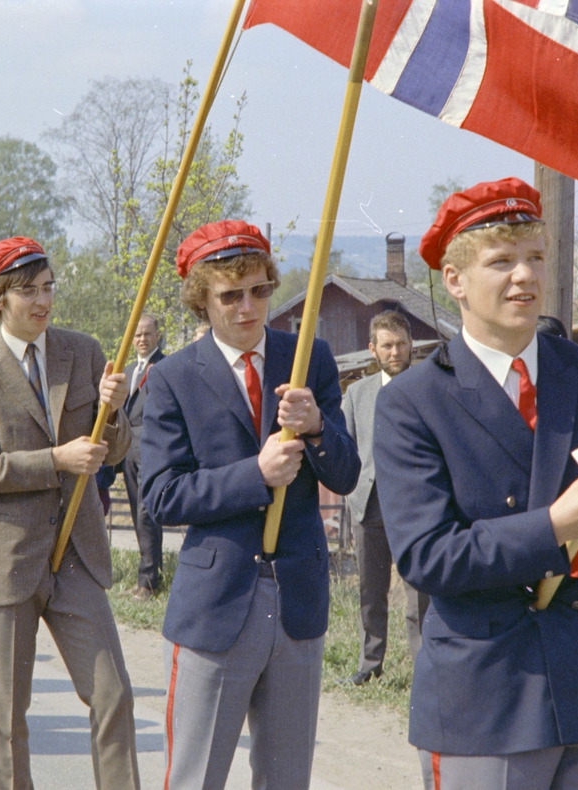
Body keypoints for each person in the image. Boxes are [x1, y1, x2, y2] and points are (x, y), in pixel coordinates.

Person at [374, 178, 578, 789]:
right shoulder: (415, 402)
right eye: (501, 261)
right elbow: (426, 556)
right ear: (455, 280)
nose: (525, 276)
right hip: (486, 700)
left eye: (536, 257)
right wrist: (554, 528)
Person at [140, 220, 360, 790]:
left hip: (298, 599)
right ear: (200, 300)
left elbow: (347, 471)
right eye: (230, 295)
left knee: (287, 778)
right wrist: (253, 476)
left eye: (260, 290)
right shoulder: (171, 378)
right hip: (216, 603)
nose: (248, 307)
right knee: (197, 775)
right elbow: (160, 495)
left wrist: (315, 429)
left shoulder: (308, 355)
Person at [0, 236, 139, 790]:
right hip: (7, 565)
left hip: (77, 557)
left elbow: (117, 448)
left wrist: (115, 410)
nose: (42, 301)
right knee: (7, 718)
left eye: (48, 287)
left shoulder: (85, 351)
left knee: (114, 695)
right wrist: (56, 459)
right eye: (28, 290)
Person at [342, 310, 430, 686]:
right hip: (370, 504)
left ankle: (426, 669)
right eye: (387, 345)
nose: (395, 352)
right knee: (371, 591)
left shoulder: (429, 388)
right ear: (372, 349)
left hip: (416, 508)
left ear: (411, 346)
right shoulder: (357, 393)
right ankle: (369, 663)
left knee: (419, 595)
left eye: (401, 344)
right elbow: (346, 450)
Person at [120, 313, 164, 601]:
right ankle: (145, 577)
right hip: (127, 448)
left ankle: (148, 582)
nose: (142, 339)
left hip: (152, 445)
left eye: (147, 334)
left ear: (157, 336)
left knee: (147, 513)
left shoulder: (165, 367)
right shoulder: (127, 370)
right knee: (137, 512)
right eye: (137, 335)